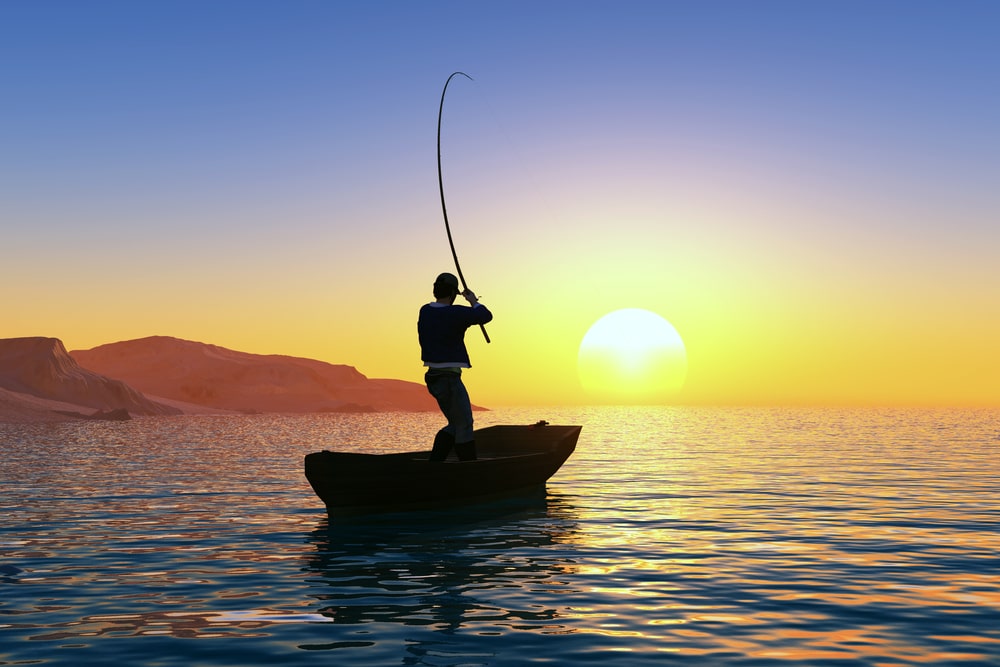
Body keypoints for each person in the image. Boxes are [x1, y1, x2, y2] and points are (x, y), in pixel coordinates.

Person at [418, 272, 493, 462]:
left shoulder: (425, 311)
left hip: (433, 378)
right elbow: (486, 315)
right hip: (449, 378)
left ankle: (435, 463)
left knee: (455, 423)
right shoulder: (456, 313)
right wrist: (473, 300)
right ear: (452, 293)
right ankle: (469, 468)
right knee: (465, 424)